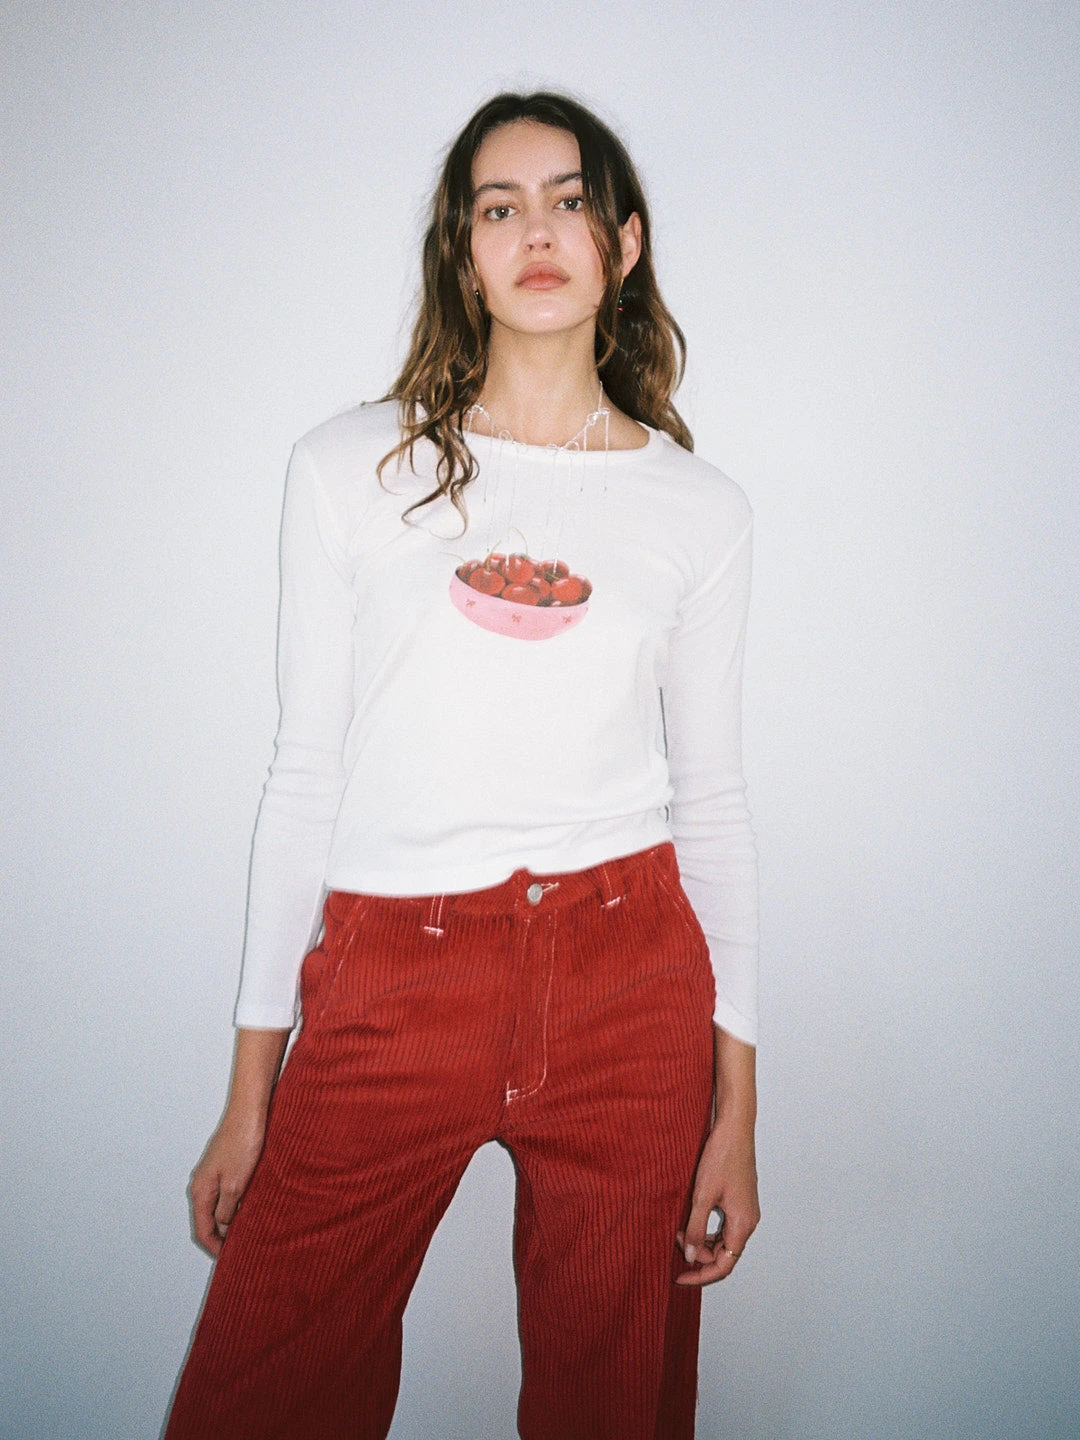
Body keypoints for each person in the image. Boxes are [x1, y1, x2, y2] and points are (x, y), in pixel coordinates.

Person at [165, 90, 760, 1440]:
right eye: (501, 208)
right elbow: (304, 775)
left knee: (613, 1405)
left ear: (623, 242)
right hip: (396, 975)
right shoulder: (350, 468)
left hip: (629, 982)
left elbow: (714, 802)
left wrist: (738, 1104)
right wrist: (252, 1096)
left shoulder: (700, 507)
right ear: (464, 250)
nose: (535, 233)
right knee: (262, 1394)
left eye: (569, 202)